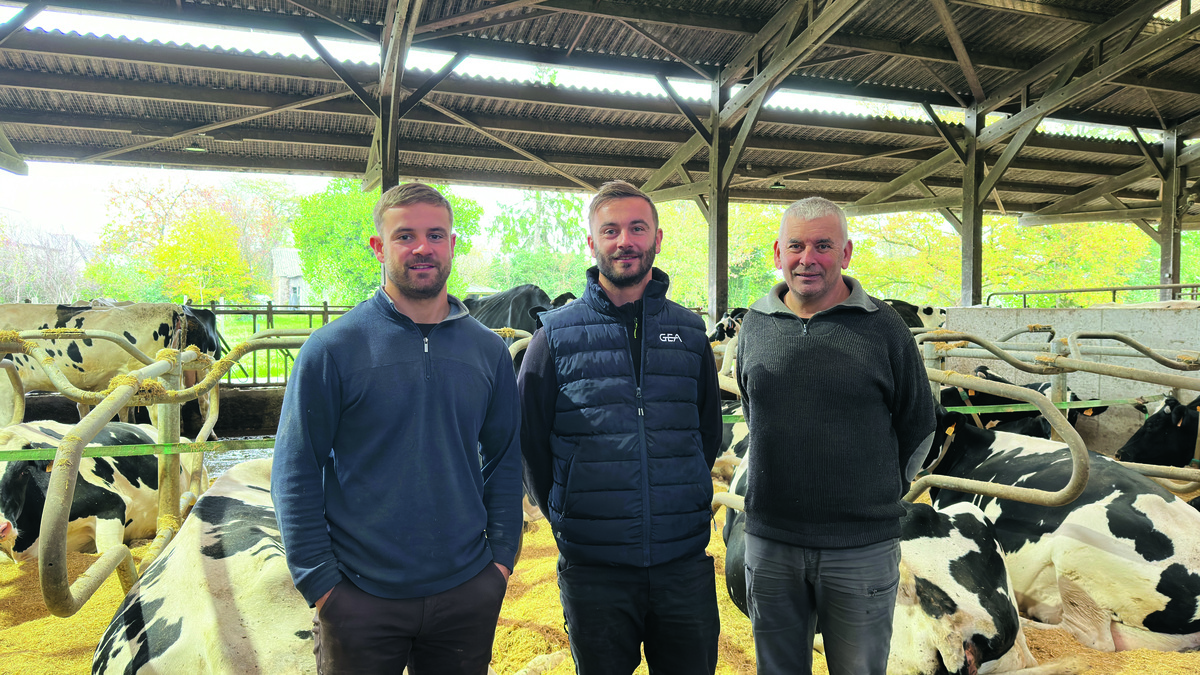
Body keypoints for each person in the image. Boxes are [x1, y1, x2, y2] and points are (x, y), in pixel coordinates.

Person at [271, 182, 523, 675]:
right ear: (379, 247)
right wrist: (322, 583)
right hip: (361, 596)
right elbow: (295, 470)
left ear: (452, 244)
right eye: (405, 235)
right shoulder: (332, 350)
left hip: (467, 588)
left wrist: (500, 561)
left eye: (435, 234)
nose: (422, 247)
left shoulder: (487, 351)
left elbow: (505, 457)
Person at [518, 180, 722, 674]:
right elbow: (531, 443)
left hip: (683, 564)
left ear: (657, 238)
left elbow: (708, 433)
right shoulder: (555, 336)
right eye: (610, 230)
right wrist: (567, 515)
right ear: (592, 243)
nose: (624, 240)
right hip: (594, 570)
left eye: (637, 228)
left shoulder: (690, 332)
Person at [736, 196, 936, 675]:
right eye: (796, 246)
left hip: (861, 546)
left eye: (823, 245)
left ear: (846, 253)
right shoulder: (755, 324)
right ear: (778, 252)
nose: (808, 258)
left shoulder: (884, 328)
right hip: (771, 541)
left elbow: (918, 423)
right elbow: (753, 407)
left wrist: (878, 494)